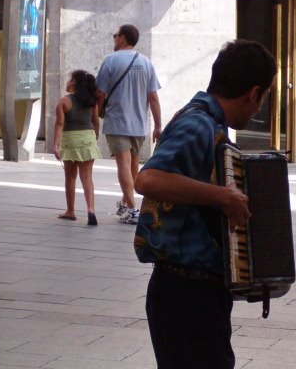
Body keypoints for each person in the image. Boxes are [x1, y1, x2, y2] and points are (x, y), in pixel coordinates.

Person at [133, 40, 277, 369]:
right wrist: (222, 196)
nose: (258, 108)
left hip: (196, 292)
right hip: (184, 293)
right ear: (253, 94)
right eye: (262, 99)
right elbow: (148, 179)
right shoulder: (198, 124)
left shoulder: (210, 124)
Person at [96, 24, 161, 224]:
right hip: (139, 124)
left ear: (123, 38)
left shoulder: (110, 61)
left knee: (123, 164)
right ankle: (126, 202)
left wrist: (98, 113)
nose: (114, 39)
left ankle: (132, 209)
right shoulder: (147, 63)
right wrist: (158, 125)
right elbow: (153, 98)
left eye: (115, 35)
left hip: (117, 121)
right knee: (132, 164)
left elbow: (100, 94)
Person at [53, 70, 102, 225]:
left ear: (73, 82)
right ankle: (91, 210)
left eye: (69, 79)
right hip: (88, 138)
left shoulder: (63, 102)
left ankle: (71, 211)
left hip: (70, 139)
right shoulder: (91, 101)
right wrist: (95, 136)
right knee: (87, 178)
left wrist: (55, 144)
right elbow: (95, 121)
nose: (67, 82)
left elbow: (59, 124)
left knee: (70, 177)